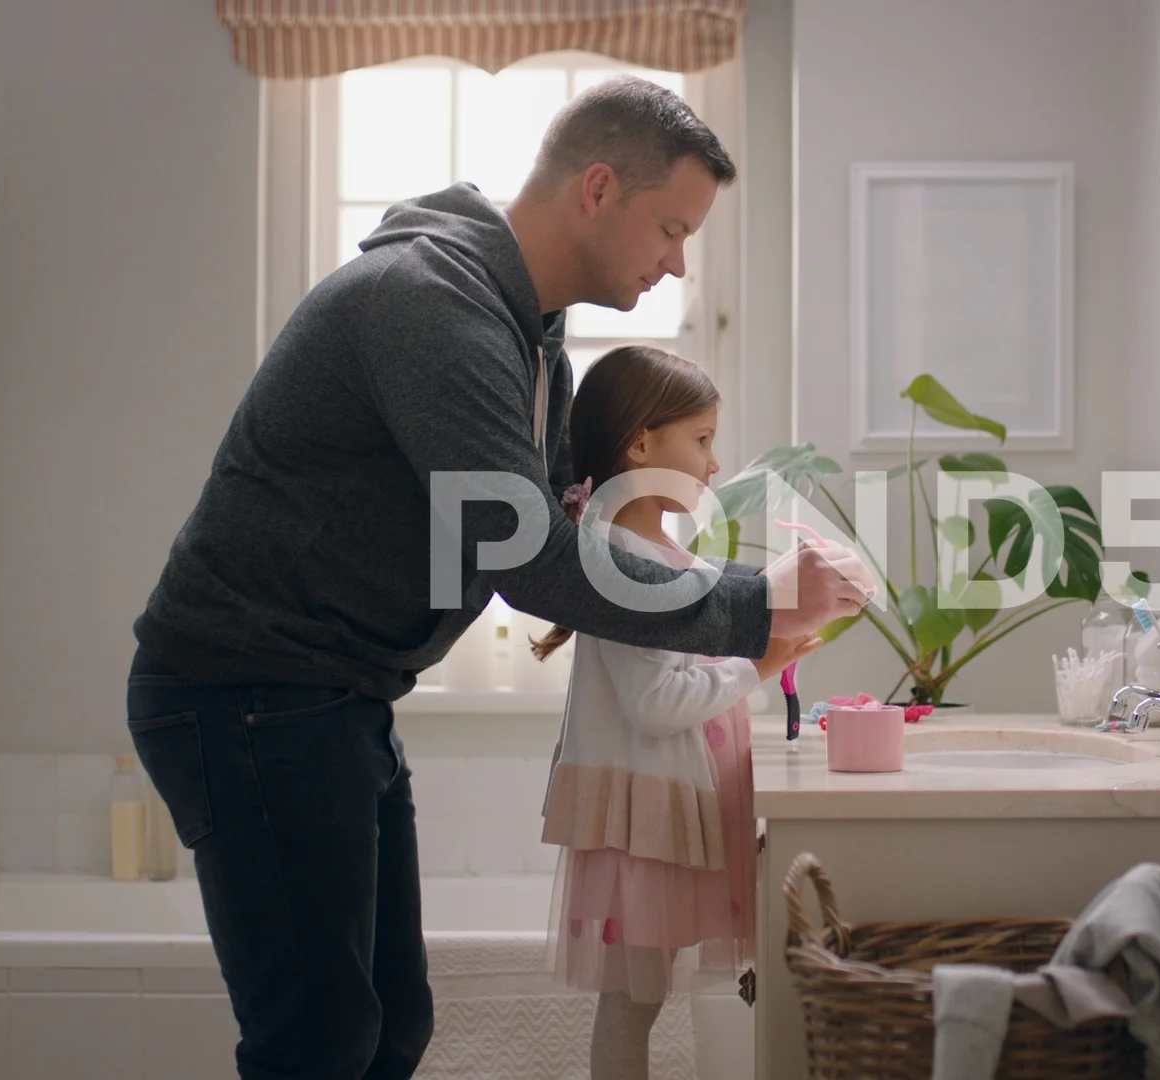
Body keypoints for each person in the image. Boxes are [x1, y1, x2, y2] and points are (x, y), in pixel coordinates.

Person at [123, 77, 867, 1080]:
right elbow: (532, 559)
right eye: (671, 228)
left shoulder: (526, 338)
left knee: (386, 1031)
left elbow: (573, 525)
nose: (678, 262)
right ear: (598, 189)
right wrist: (753, 604)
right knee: (320, 1043)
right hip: (251, 696)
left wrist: (743, 599)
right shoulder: (433, 310)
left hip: (326, 697)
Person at [532, 345, 817, 1079]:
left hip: (669, 807)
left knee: (645, 997)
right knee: (633, 1002)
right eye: (701, 441)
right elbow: (656, 704)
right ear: (642, 444)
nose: (713, 464)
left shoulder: (658, 549)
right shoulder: (616, 560)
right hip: (642, 818)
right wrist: (759, 666)